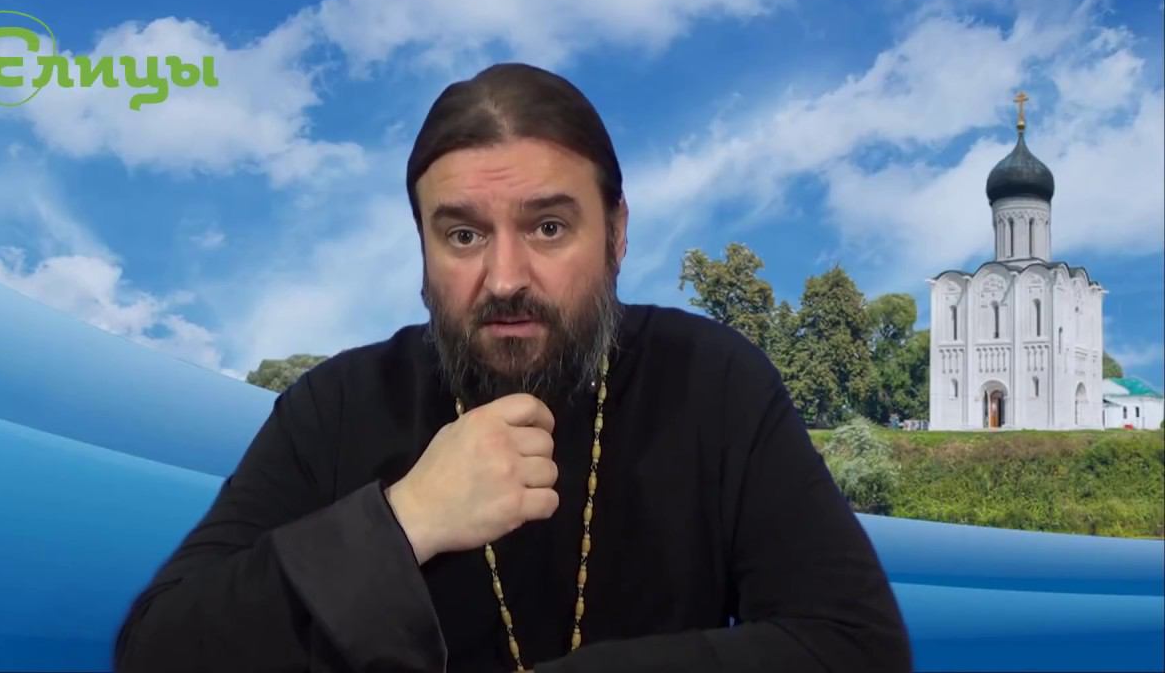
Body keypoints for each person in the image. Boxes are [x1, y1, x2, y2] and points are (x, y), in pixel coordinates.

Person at [113, 62, 912, 673]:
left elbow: (856, 647)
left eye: (549, 227)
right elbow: (157, 652)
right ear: (422, 246)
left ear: (617, 234)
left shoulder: (712, 381)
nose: (503, 278)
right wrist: (400, 523)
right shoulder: (337, 405)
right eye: (462, 235)